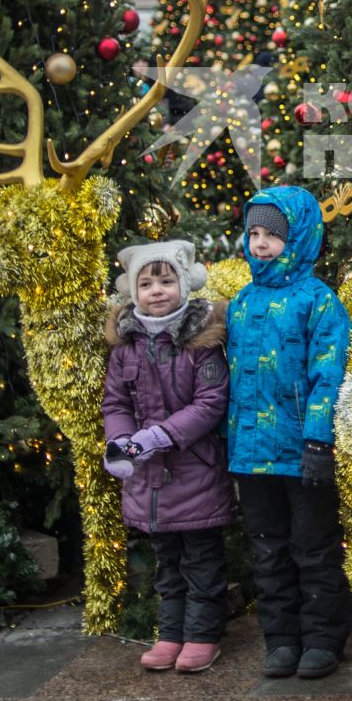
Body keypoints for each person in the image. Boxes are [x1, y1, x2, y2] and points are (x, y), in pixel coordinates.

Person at [225, 186, 352, 680]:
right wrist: (226, 442)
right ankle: (281, 639)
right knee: (268, 548)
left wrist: (319, 440)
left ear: (298, 237)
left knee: (313, 545)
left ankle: (322, 637)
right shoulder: (240, 301)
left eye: (272, 236)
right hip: (250, 453)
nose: (260, 244)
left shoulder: (318, 301)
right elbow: (230, 376)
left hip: (301, 452)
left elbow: (329, 373)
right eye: (253, 233)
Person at [101, 241, 232, 673]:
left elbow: (210, 403)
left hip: (194, 470)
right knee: (167, 563)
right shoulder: (126, 348)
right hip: (149, 479)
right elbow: (116, 403)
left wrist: (159, 436)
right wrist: (121, 442)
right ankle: (170, 633)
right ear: (132, 292)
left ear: (184, 284)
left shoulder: (201, 341)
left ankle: (202, 635)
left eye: (166, 280)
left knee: (200, 559)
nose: (157, 290)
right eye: (146, 282)